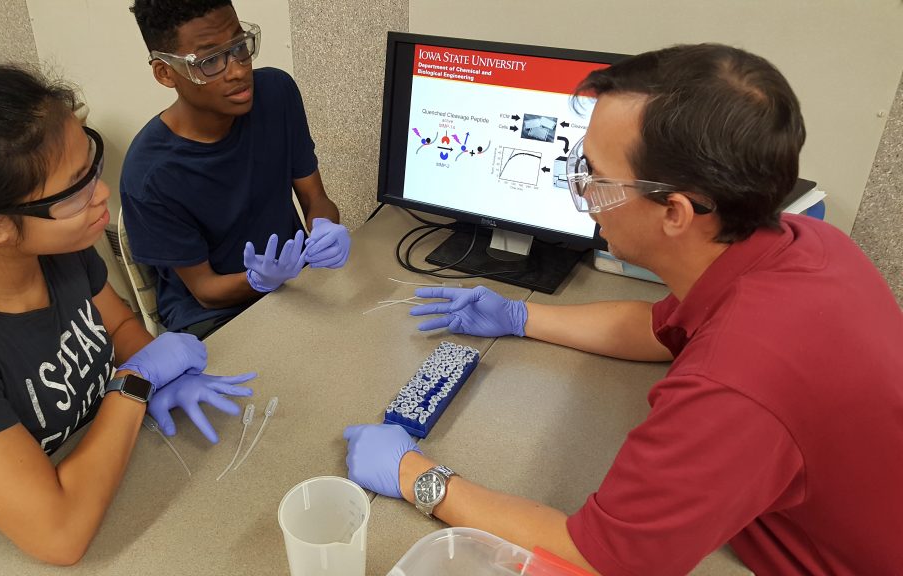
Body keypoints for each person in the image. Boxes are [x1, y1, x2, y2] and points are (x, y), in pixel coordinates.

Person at [343, 44, 903, 575]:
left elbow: (598, 562)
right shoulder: (803, 240)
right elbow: (665, 329)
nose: (583, 192)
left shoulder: (735, 385)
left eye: (595, 176)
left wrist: (417, 476)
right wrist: (518, 316)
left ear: (676, 213)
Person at [0, 64, 256, 563]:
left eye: (90, 165)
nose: (100, 193)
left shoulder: (53, 243)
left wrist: (161, 369)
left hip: (86, 475)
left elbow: (119, 325)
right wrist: (136, 382)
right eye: (76, 186)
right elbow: (59, 536)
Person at [122, 0, 350, 339]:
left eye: (240, 46)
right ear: (165, 72)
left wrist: (324, 228)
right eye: (211, 60)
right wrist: (260, 280)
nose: (238, 70)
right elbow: (206, 291)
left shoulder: (276, 94)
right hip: (214, 320)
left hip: (294, 289)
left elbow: (316, 198)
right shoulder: (150, 173)